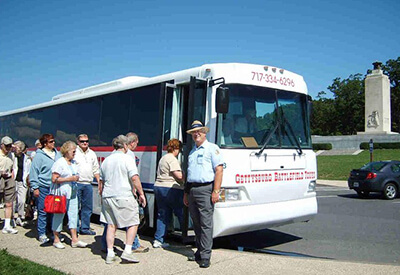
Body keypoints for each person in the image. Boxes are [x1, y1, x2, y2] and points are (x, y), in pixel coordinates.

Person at [99, 135, 146, 264]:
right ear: (125, 145)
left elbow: (100, 182)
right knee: (133, 222)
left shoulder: (106, 160)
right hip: (123, 195)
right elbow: (134, 178)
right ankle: (127, 251)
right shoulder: (127, 159)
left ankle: (109, 254)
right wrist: (141, 194)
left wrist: (101, 196)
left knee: (111, 225)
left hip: (108, 195)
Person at [183, 120, 224, 268]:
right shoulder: (192, 151)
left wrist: (216, 191)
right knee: (196, 223)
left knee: (206, 224)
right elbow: (189, 174)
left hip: (206, 189)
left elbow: (219, 170)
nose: (196, 134)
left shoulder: (212, 148)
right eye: (194, 132)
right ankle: (199, 251)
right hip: (193, 189)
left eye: (199, 131)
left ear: (204, 133)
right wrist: (186, 193)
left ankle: (206, 256)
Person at [51, 141, 87, 249]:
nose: (75, 153)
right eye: (73, 151)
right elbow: (54, 179)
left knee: (73, 215)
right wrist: (69, 179)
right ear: (66, 151)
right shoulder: (60, 162)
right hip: (61, 194)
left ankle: (74, 239)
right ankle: (56, 239)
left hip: (72, 193)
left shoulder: (74, 163)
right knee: (59, 215)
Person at [29, 134, 61, 244]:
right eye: (51, 141)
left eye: (53, 141)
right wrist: (35, 187)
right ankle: (42, 233)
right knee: (42, 211)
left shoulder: (57, 154)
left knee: (53, 211)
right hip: (43, 186)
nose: (53, 143)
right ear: (45, 144)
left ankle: (52, 232)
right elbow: (34, 172)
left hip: (54, 187)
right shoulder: (39, 156)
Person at [153, 138, 184, 248]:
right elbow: (178, 175)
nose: (179, 151)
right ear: (176, 148)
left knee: (162, 214)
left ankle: (158, 240)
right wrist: (185, 180)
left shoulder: (163, 158)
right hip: (170, 188)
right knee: (181, 212)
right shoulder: (172, 159)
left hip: (158, 187)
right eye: (179, 149)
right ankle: (186, 236)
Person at [74, 134, 100, 235]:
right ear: (78, 142)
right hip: (77, 184)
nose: (85, 143)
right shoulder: (74, 153)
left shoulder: (92, 153)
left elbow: (96, 169)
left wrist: (99, 182)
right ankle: (75, 228)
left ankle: (85, 228)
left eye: (86, 141)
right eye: (82, 141)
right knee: (75, 208)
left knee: (87, 208)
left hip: (88, 184)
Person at [0, 136, 18, 234]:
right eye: (6, 146)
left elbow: (13, 167)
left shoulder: (12, 155)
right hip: (0, 178)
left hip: (9, 178)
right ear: (2, 145)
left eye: (10, 146)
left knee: (9, 203)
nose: (8, 148)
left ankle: (7, 225)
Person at [13, 140, 31, 227]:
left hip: (22, 182)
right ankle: (12, 218)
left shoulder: (27, 159)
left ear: (21, 148)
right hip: (13, 181)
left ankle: (20, 216)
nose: (14, 149)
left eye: (16, 147)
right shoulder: (12, 157)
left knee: (21, 201)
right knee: (12, 201)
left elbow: (29, 171)